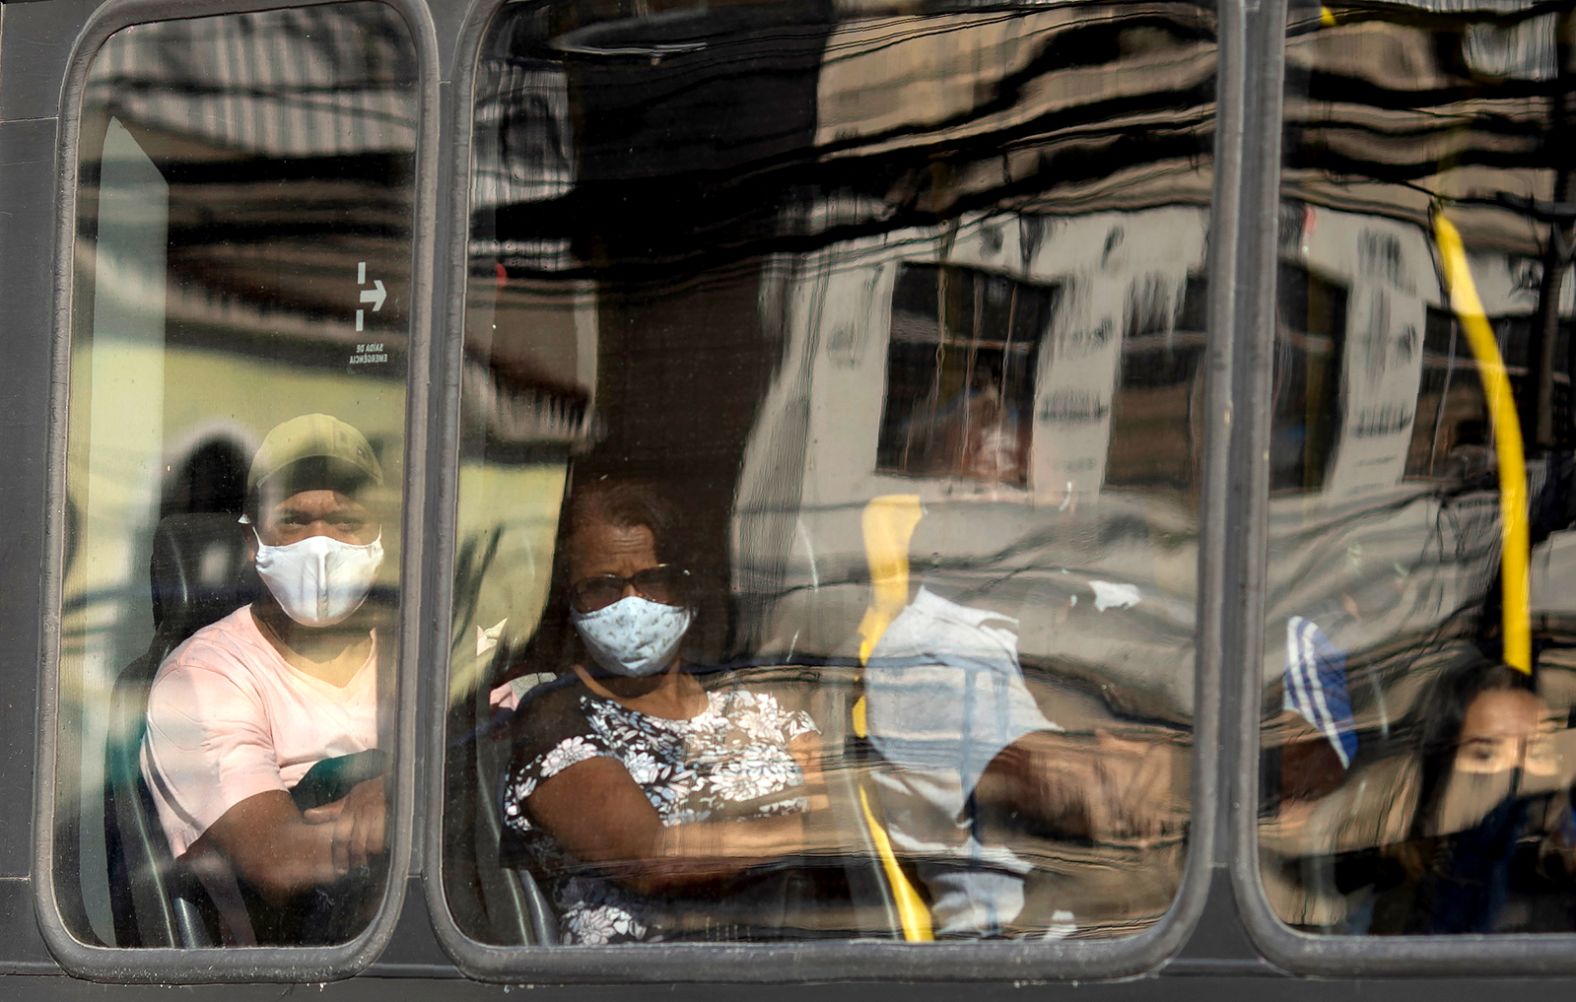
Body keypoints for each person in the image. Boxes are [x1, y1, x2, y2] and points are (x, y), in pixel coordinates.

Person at [499, 479, 832, 945]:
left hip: (793, 959)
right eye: (601, 587)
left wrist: (827, 826)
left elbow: (839, 795)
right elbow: (649, 858)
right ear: (569, 601)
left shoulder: (759, 701)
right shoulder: (554, 717)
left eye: (655, 580)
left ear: (686, 588)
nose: (632, 604)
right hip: (647, 978)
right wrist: (814, 833)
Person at [863, 502, 1181, 938]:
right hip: (1029, 963)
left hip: (1123, 937)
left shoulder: (1045, 617)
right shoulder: (927, 651)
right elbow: (1083, 791)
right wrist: (1178, 759)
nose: (1061, 502)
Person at [141, 413, 391, 943]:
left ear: (380, 538)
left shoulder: (420, 654)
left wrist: (394, 791)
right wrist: (414, 802)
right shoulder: (203, 677)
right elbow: (279, 862)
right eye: (294, 521)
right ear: (253, 543)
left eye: (346, 522)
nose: (320, 547)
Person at [1364, 657, 1576, 934]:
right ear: (1442, 774)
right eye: (1485, 754)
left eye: (1537, 753)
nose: (1516, 778)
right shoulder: (1394, 905)